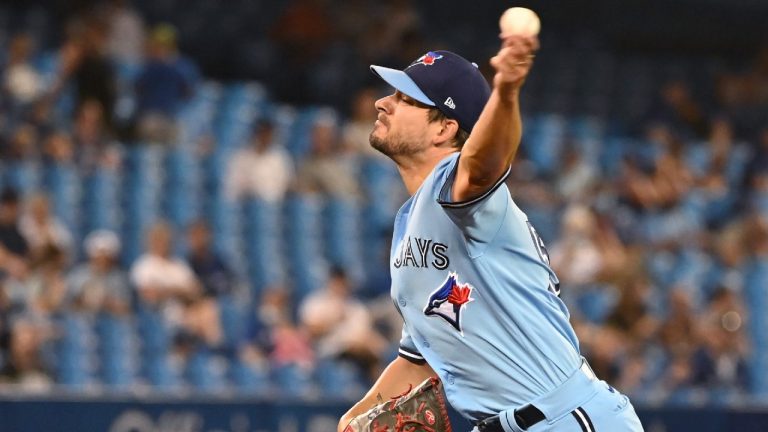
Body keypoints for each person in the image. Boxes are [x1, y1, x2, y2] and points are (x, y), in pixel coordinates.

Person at [338, 33, 643, 431]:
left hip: (565, 420)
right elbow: (419, 361)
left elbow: (485, 162)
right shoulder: (407, 226)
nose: (382, 102)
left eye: (405, 99)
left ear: (444, 129)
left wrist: (507, 92)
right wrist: (352, 421)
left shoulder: (461, 185)